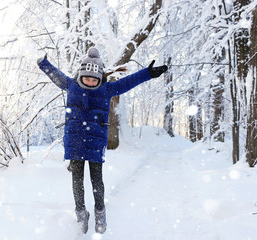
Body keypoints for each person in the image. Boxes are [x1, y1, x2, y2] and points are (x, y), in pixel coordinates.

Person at [37, 47, 168, 234]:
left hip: (96, 142)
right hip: (75, 142)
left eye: (94, 79)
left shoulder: (107, 90)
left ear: (100, 78)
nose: (90, 82)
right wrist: (43, 63)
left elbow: (127, 82)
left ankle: (100, 212)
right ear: (80, 76)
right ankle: (81, 212)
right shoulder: (71, 87)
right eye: (87, 78)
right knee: (77, 180)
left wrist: (147, 73)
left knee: (96, 179)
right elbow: (56, 75)